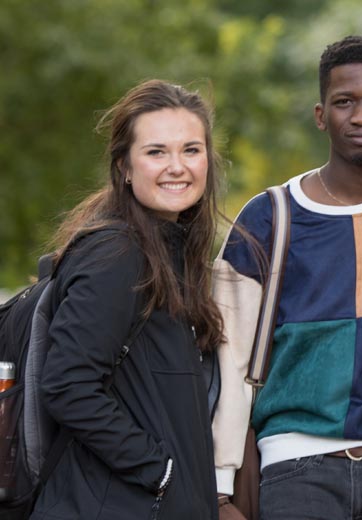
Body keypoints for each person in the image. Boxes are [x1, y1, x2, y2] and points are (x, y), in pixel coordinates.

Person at [212, 36, 362, 519]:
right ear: (320, 115)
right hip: (297, 472)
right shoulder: (269, 216)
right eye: (344, 102)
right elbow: (226, 357)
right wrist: (220, 489)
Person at [32, 80, 223, 518]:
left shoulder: (170, 253)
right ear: (125, 167)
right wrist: (159, 473)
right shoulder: (118, 254)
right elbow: (66, 385)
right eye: (156, 152)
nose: (177, 166)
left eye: (191, 150)